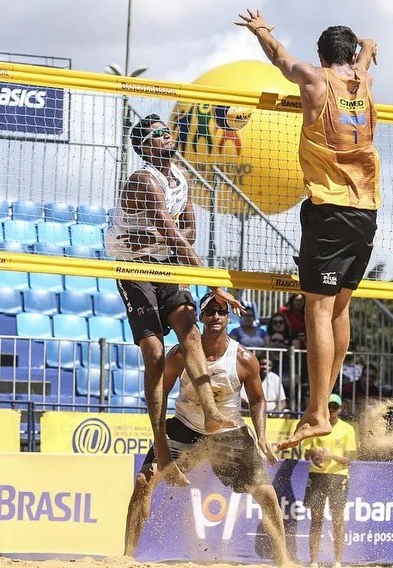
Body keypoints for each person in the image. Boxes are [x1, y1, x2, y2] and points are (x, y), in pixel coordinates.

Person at [236, 10, 381, 449]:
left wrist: (261, 30)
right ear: (351, 56)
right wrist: (368, 50)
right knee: (340, 310)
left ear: (321, 56)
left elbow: (280, 59)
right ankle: (320, 405)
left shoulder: (314, 79)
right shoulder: (363, 80)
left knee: (318, 311)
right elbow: (364, 62)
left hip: (331, 210)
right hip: (367, 211)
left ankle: (318, 411)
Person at [105, 114, 245, 482]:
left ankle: (212, 412)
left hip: (164, 263)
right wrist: (213, 284)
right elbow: (173, 232)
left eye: (166, 132)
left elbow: (189, 232)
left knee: (190, 332)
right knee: (154, 356)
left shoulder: (180, 177)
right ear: (145, 148)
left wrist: (164, 242)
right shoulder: (143, 180)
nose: (166, 136)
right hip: (134, 267)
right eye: (156, 135)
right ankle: (162, 448)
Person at [124, 293, 290, 566]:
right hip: (185, 424)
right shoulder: (180, 355)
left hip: (229, 430)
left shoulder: (243, 358)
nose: (215, 316)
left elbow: (258, 400)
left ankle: (284, 561)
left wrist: (261, 435)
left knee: (267, 495)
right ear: (199, 318)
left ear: (228, 317)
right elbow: (160, 393)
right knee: (144, 482)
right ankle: (127, 556)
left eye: (221, 312)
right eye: (210, 312)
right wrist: (160, 435)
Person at [302, 394, 357, 568]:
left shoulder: (347, 428)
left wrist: (330, 456)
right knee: (316, 519)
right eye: (329, 405)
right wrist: (314, 453)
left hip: (338, 476)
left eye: (335, 405)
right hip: (317, 475)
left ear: (341, 409)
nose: (331, 409)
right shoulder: (315, 427)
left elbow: (350, 458)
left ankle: (338, 561)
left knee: (338, 520)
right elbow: (305, 454)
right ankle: (313, 561)